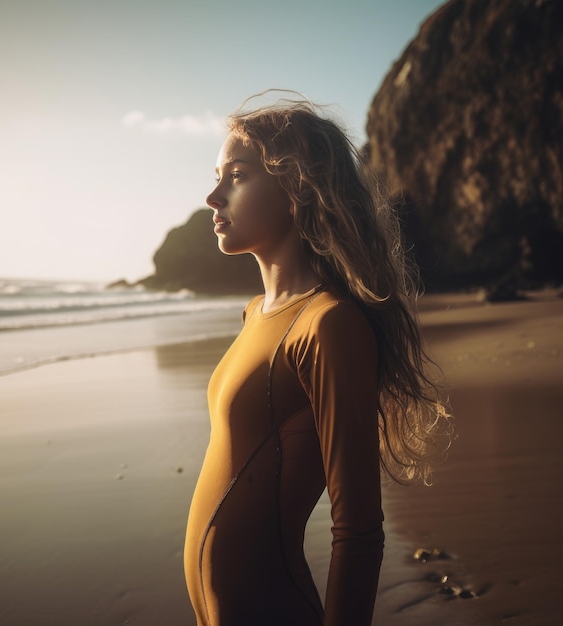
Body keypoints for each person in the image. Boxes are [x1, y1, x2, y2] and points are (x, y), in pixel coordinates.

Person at [183, 93, 451, 626]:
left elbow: (357, 529)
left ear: (295, 190)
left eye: (236, 175)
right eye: (216, 175)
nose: (213, 196)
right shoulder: (256, 314)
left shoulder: (329, 324)